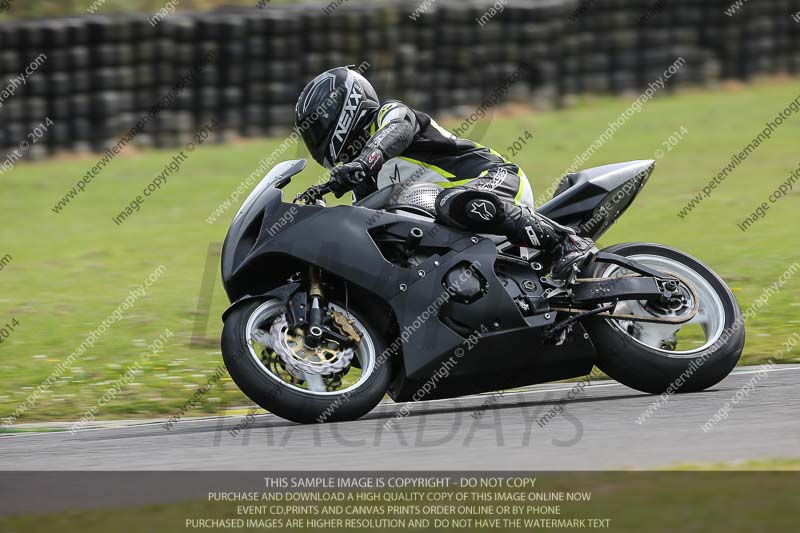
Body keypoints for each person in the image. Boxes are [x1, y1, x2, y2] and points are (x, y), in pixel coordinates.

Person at [295, 66, 595, 281]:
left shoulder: (389, 115)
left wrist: (364, 162)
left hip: (493, 179)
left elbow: (398, 130)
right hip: (456, 224)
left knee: (453, 201)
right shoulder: (364, 184)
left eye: (317, 128)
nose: (315, 140)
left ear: (345, 107)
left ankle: (566, 241)